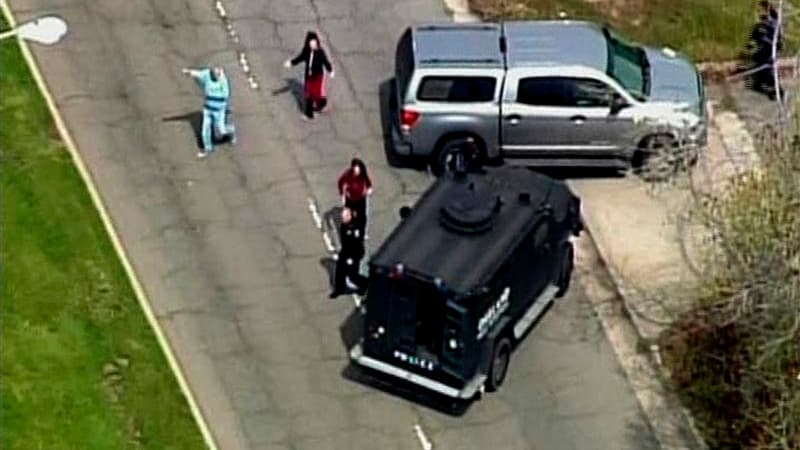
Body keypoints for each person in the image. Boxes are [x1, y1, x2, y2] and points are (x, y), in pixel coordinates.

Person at [181, 66, 236, 158]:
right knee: (205, 130)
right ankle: (207, 148)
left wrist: (226, 108)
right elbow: (197, 74)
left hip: (219, 110)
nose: (216, 77)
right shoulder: (206, 74)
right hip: (208, 109)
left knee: (221, 129)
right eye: (214, 75)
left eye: (218, 75)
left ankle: (231, 131)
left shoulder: (223, 81)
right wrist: (188, 72)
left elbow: (226, 96)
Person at [283, 31, 335, 120]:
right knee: (309, 95)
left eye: (314, 43)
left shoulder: (320, 52)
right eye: (311, 44)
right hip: (309, 76)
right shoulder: (306, 52)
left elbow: (326, 62)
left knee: (316, 93)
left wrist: (330, 70)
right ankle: (309, 113)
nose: (313, 45)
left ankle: (321, 104)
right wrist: (291, 63)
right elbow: (300, 58)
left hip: (318, 75)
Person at [330, 208, 368, 298]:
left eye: (345, 216)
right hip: (345, 251)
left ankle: (365, 284)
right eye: (342, 217)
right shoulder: (344, 225)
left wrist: (351, 258)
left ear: (350, 216)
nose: (343, 218)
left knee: (352, 275)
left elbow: (356, 244)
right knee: (340, 271)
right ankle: (339, 289)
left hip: (354, 253)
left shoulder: (354, 228)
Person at [337, 158, 372, 235]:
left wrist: (369, 190)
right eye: (356, 169)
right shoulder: (347, 175)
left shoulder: (363, 175)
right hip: (350, 200)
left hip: (361, 199)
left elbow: (368, 183)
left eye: (358, 169)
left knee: (362, 216)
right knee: (349, 217)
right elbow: (340, 183)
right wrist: (342, 194)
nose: (357, 171)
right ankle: (349, 230)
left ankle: (362, 232)